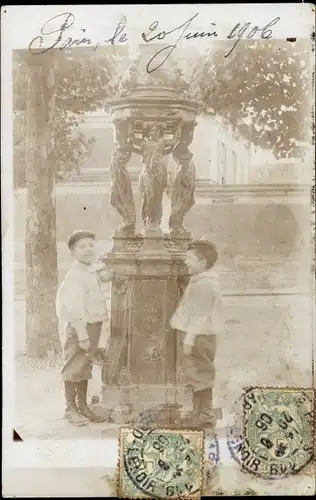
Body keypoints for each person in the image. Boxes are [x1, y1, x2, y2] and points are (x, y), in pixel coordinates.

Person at [56, 230, 114, 426]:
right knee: (74, 365)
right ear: (72, 252)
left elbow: (104, 275)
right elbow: (73, 310)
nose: (88, 250)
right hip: (79, 328)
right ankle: (70, 408)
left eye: (91, 245)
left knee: (85, 366)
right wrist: (82, 335)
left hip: (93, 326)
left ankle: (83, 406)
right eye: (82, 247)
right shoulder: (75, 276)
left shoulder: (89, 270)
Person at [170, 239, 223, 428]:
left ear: (202, 263)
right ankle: (198, 411)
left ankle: (205, 414)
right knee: (195, 374)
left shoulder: (205, 284)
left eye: (189, 259)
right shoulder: (200, 280)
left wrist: (189, 338)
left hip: (199, 336)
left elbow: (200, 314)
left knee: (201, 374)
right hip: (198, 335)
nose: (186, 262)